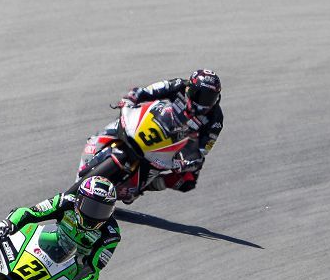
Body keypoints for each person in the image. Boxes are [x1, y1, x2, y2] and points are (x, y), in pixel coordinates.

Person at [80, 69, 223, 203]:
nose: (204, 101)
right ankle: (98, 143)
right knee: (119, 123)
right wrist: (132, 97)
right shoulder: (179, 85)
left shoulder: (215, 119)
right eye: (200, 95)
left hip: (174, 147)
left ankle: (144, 187)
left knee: (187, 181)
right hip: (154, 125)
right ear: (189, 89)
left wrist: (184, 162)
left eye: (210, 97)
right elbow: (153, 90)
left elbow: (203, 148)